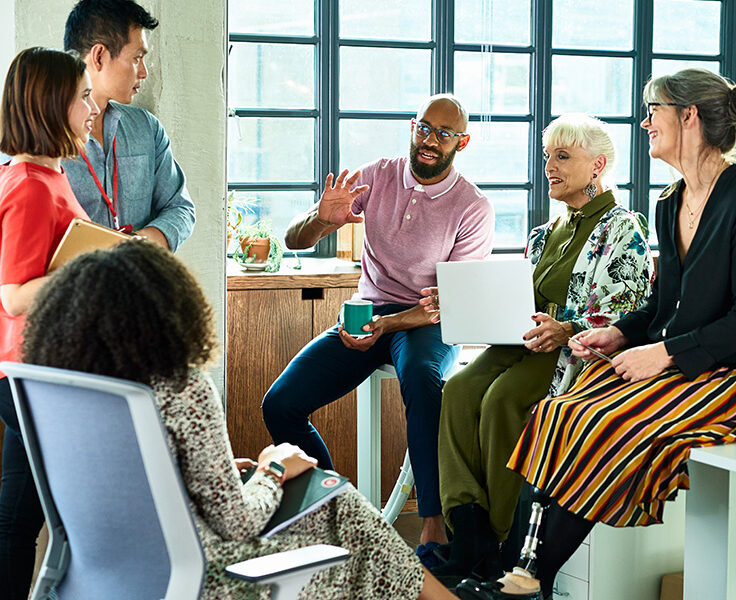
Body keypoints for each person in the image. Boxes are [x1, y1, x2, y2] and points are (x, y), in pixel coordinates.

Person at [458, 69, 736, 600]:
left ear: (688, 117)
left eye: (652, 109)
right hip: (690, 365)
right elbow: (664, 307)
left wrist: (660, 354)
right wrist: (617, 335)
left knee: (604, 418)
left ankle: (525, 584)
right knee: (558, 410)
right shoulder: (670, 203)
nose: (644, 122)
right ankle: (513, 574)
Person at [21, 240, 461, 600]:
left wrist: (214, 474)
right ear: (167, 310)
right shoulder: (182, 388)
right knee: (338, 506)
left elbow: (132, 481)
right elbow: (238, 524)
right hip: (206, 578)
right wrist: (274, 467)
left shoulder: (62, 392)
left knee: (326, 501)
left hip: (102, 576)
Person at [421, 114, 653, 586]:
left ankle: (504, 548)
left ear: (598, 166)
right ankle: (468, 533)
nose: (549, 165)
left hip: (568, 352)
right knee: (459, 389)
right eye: (548, 156)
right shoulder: (545, 232)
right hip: (521, 341)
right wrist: (466, 304)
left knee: (501, 400)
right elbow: (517, 297)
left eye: (563, 157)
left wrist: (566, 328)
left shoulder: (622, 227)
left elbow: (629, 309)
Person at [262, 94, 495, 556]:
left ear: (461, 143)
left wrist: (388, 327)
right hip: (367, 310)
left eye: (443, 134)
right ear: (412, 127)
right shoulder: (376, 176)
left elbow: (448, 304)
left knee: (424, 382)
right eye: (424, 128)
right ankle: (334, 509)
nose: (430, 140)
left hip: (426, 321)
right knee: (280, 404)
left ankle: (433, 524)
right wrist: (321, 219)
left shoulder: (473, 207)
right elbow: (294, 239)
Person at [0, 46, 100, 600]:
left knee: (19, 517)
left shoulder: (45, 177)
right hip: (30, 373)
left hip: (36, 372)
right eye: (83, 96)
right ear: (50, 103)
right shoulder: (31, 185)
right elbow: (14, 296)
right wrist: (95, 265)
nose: (91, 107)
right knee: (38, 520)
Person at [61, 0, 195, 251]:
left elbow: (180, 208)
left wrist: (138, 246)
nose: (143, 72)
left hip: (139, 285)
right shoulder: (40, 140)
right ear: (99, 56)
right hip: (73, 288)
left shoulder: (147, 129)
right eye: (137, 58)